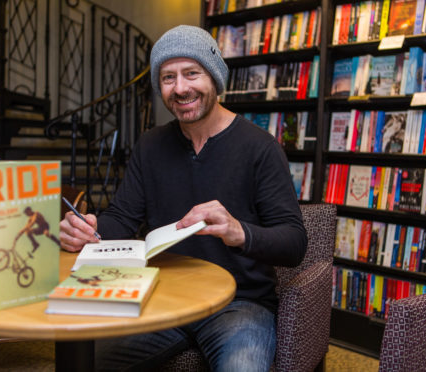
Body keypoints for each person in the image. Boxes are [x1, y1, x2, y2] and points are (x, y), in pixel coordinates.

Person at [59, 24, 308, 372]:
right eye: (168, 77)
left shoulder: (260, 148)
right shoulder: (150, 145)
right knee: (85, 361)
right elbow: (123, 218)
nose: (180, 88)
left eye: (191, 73)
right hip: (163, 296)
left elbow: (295, 243)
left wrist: (239, 231)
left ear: (215, 78)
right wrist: (92, 228)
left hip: (239, 304)